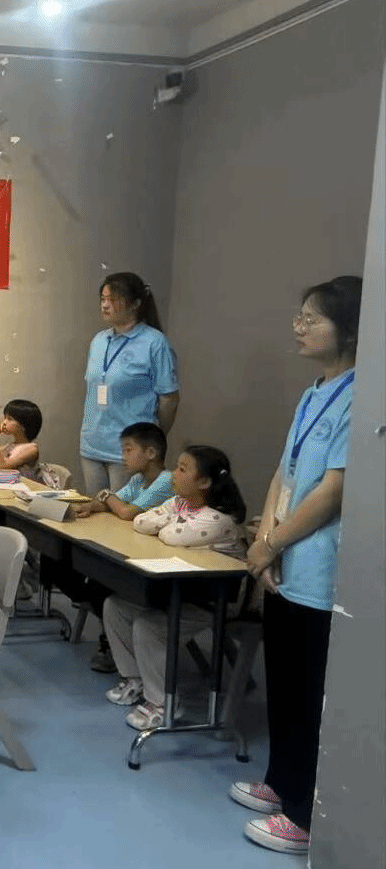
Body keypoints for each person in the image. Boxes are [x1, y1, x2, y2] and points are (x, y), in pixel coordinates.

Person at [230, 276, 361, 856]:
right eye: (300, 316)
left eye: (312, 319)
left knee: (311, 695)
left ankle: (306, 815)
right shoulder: (314, 391)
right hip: (283, 560)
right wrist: (265, 540)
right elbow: (284, 472)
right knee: (284, 682)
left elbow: (333, 492)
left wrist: (273, 545)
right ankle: (281, 782)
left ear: (350, 330)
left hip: (318, 569)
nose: (298, 326)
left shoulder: (362, 396)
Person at [101, 445, 246, 730]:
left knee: (149, 626)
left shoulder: (218, 519)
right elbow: (141, 521)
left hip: (215, 600)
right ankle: (135, 679)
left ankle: (163, 702)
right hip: (182, 590)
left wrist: (166, 522)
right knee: (115, 606)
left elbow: (171, 535)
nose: (174, 475)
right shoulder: (180, 503)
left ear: (204, 482)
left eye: (182, 469)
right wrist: (168, 520)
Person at [62, 421, 175, 672]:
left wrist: (104, 494)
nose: (123, 456)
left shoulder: (166, 480)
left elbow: (125, 512)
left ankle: (114, 644)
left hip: (155, 563)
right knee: (77, 571)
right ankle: (112, 638)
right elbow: (111, 502)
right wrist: (93, 505)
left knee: (101, 583)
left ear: (151, 453)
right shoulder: (138, 479)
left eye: (128, 450)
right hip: (135, 549)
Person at [79, 272, 180, 496]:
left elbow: (169, 399)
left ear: (135, 303)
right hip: (92, 444)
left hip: (128, 452)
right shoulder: (99, 340)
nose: (105, 305)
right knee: (93, 512)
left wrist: (151, 438)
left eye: (113, 299)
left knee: (121, 513)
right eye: (103, 299)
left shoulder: (155, 343)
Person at [0, 399, 42, 478]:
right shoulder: (9, 447)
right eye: (5, 418)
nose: (4, 422)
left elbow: (1, 467)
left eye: (9, 419)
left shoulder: (32, 449)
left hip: (27, 485)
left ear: (23, 425)